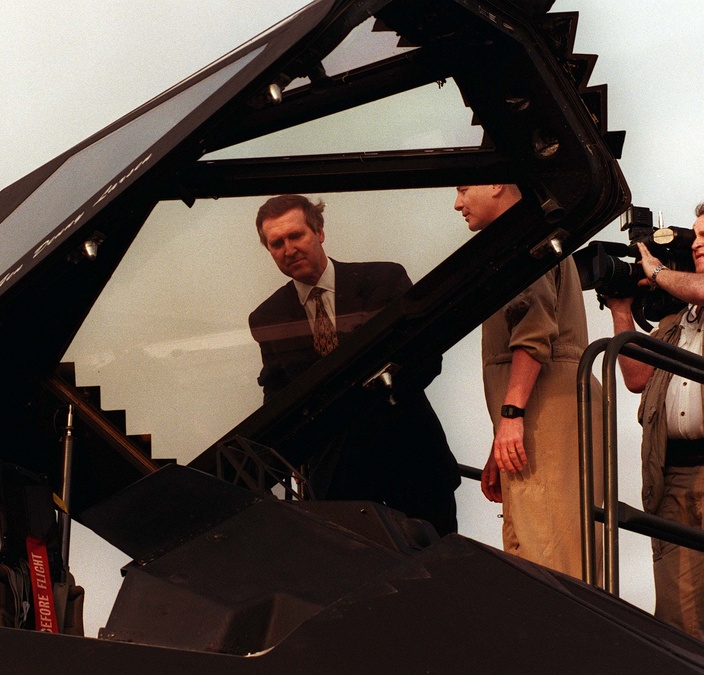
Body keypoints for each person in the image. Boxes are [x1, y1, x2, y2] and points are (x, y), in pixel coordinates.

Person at [248, 194, 461, 536]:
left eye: (296, 236)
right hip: (337, 482)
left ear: (319, 232)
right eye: (277, 243)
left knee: (440, 576)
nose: (289, 249)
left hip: (412, 461)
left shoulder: (384, 280)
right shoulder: (267, 317)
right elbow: (277, 395)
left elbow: (424, 358)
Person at [454, 184, 602, 579]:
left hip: (543, 411)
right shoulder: (524, 236)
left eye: (464, 188)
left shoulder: (526, 237)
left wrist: (512, 413)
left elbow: (533, 331)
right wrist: (500, 437)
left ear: (498, 184)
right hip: (535, 413)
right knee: (525, 552)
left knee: (551, 559)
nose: (457, 203)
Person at [605, 202, 704, 639]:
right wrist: (621, 308)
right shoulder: (677, 319)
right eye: (696, 236)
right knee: (679, 621)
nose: (697, 244)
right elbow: (636, 377)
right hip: (675, 476)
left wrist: (656, 271)